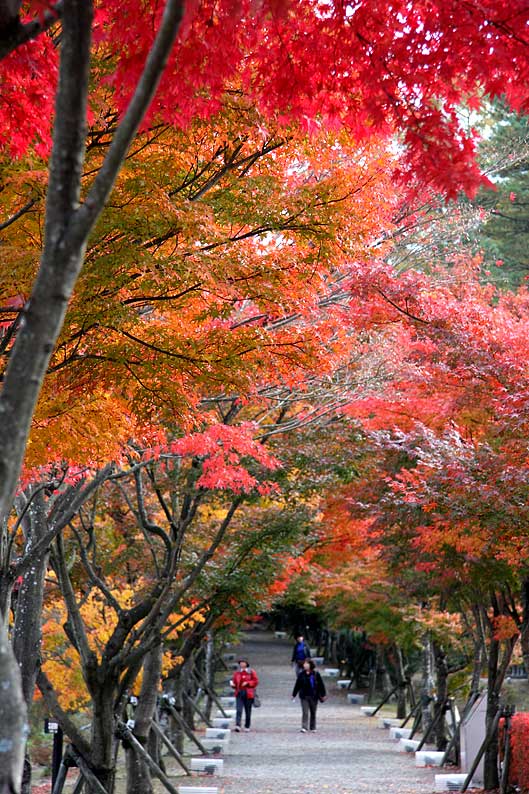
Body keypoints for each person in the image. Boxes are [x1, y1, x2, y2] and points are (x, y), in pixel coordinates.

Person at [292, 659, 326, 732]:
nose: (305, 665)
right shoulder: (301, 674)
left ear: (310, 665)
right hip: (304, 696)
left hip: (314, 696)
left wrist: (323, 694)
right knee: (305, 712)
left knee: (313, 712)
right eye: (304, 664)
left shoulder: (316, 674)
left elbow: (321, 685)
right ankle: (304, 727)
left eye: (306, 664)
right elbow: (297, 685)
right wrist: (294, 694)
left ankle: (313, 727)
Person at [230, 658, 259, 732]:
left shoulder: (251, 672)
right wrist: (233, 685)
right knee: (239, 710)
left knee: (248, 710)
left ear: (246, 663)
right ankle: (238, 725)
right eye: (240, 663)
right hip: (239, 693)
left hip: (248, 693)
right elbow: (234, 682)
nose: (242, 664)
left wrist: (248, 683)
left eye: (243, 662)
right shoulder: (237, 673)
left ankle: (247, 725)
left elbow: (256, 681)